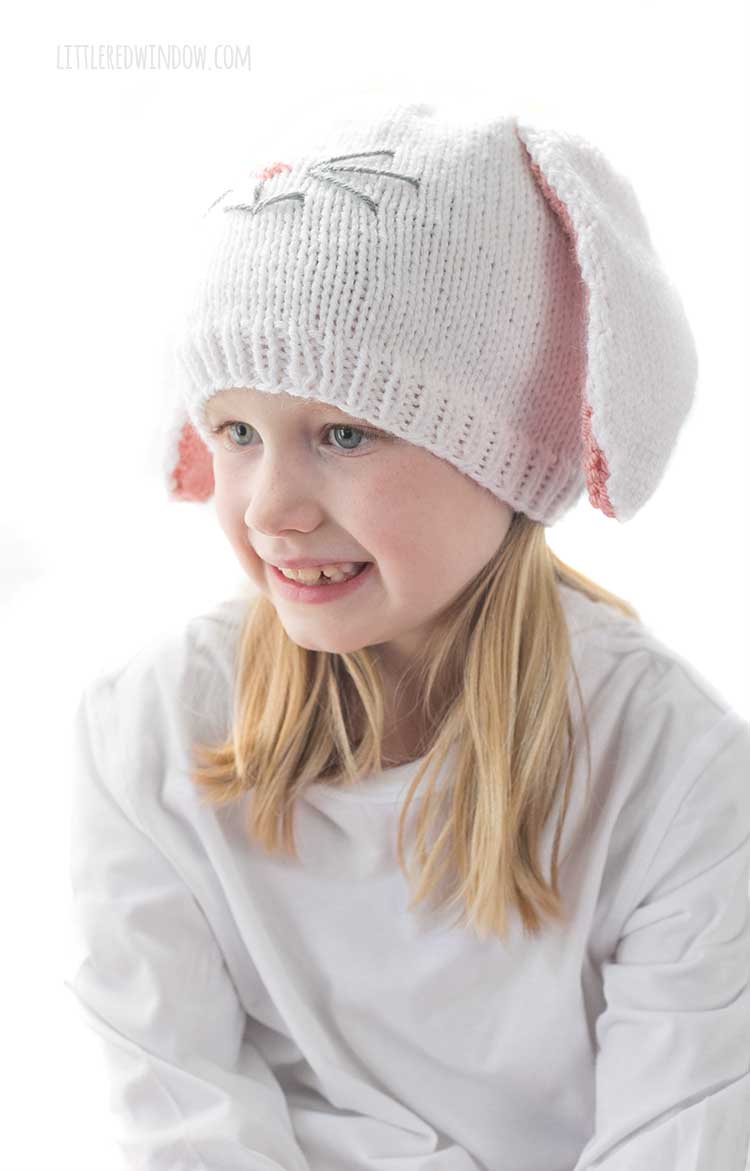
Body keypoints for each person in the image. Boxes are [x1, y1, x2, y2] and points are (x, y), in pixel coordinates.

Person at [65, 96, 750, 1171]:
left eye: (345, 433)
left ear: (507, 455)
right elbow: (185, 1116)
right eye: (236, 431)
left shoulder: (674, 773)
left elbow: (683, 1134)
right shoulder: (147, 731)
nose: (270, 508)